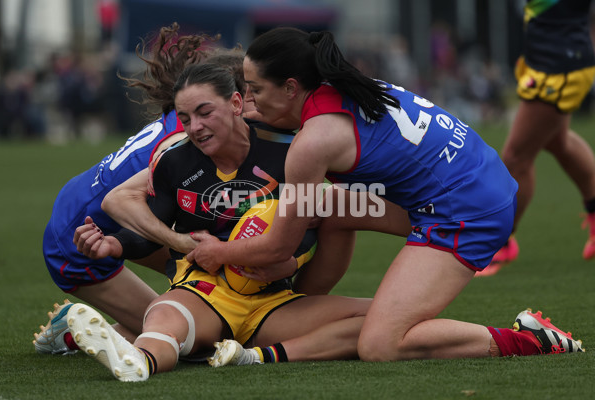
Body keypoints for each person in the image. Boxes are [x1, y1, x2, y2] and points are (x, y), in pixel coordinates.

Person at [188, 27, 585, 363]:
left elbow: (278, 247)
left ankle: (531, 339)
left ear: (291, 87)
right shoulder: (334, 87)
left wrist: (218, 252)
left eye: (255, 90)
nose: (250, 101)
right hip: (479, 179)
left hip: (467, 210)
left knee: (382, 344)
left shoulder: (312, 143)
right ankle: (298, 305)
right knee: (327, 206)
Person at [69, 62, 371, 382]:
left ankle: (253, 356)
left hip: (271, 302)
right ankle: (138, 360)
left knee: (377, 318)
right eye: (185, 119)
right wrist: (115, 244)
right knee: (165, 316)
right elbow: (155, 231)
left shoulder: (290, 152)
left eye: (204, 113)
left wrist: (291, 262)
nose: (195, 127)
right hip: (204, 292)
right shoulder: (174, 161)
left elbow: (309, 228)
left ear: (237, 104)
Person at [33, 24, 230, 353]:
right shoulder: (194, 136)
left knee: (214, 301)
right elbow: (120, 202)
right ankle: (69, 331)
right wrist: (181, 241)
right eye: (252, 92)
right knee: (195, 336)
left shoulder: (192, 117)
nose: (253, 103)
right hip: (78, 239)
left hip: (91, 211)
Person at [478, 0, 595, 276]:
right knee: (558, 141)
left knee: (516, 158)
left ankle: (502, 243)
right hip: (550, 60)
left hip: (559, 66)